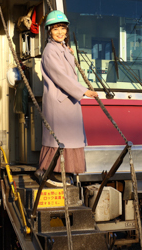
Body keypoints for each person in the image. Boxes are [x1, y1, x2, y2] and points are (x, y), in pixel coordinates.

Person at [36, 10, 98, 186]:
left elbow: (70, 73)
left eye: (62, 28)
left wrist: (68, 52)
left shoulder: (62, 49)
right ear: (49, 31)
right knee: (58, 138)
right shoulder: (50, 51)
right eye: (56, 29)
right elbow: (61, 77)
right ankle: (48, 172)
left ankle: (62, 171)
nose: (60, 32)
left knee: (68, 138)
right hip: (59, 102)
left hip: (68, 101)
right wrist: (84, 91)